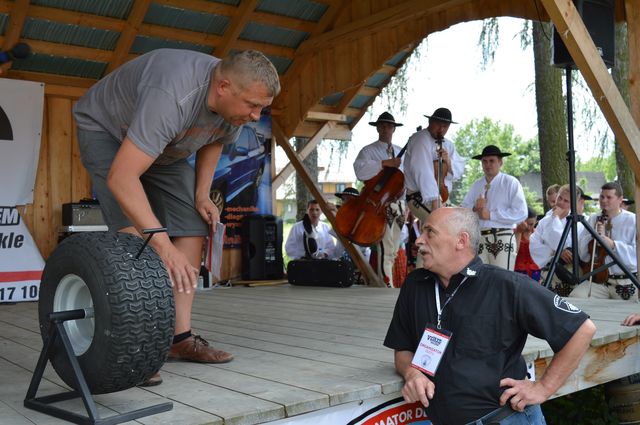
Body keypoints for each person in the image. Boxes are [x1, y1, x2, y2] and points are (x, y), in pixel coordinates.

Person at [73, 48, 280, 386]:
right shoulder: (173, 96)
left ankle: (179, 338)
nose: (257, 116)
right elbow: (122, 177)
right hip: (108, 131)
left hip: (166, 146)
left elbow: (215, 139)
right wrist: (163, 247)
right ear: (223, 87)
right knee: (134, 238)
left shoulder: (233, 107)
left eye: (261, 108)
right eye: (252, 106)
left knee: (192, 224)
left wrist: (201, 194)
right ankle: (136, 348)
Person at [384, 207, 596, 425]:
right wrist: (413, 374)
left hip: (505, 418)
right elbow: (403, 348)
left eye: (430, 232)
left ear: (461, 241)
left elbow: (582, 329)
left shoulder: (507, 286)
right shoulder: (416, 284)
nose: (418, 240)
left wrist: (543, 388)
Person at [353, 112, 406, 288]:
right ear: (377, 128)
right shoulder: (368, 151)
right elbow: (360, 171)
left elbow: (406, 179)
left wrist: (406, 204)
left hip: (399, 204)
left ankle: (387, 281)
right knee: (385, 245)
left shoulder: (400, 151)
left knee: (394, 248)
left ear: (393, 129)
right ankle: (386, 284)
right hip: (380, 205)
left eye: (389, 126)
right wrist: (383, 163)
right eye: (382, 125)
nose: (385, 129)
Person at [461, 145, 528, 270]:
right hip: (480, 238)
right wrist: (475, 207)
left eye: (492, 161)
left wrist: (491, 215)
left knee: (502, 279)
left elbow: (521, 212)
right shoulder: (477, 185)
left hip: (502, 236)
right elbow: (463, 208)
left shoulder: (510, 182)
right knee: (481, 279)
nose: (488, 165)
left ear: (500, 162)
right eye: (484, 161)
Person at [571, 182, 638, 301]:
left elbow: (636, 256)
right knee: (576, 298)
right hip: (598, 281)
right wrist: (593, 236)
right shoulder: (593, 218)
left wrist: (613, 244)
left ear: (620, 199)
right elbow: (582, 254)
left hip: (625, 281)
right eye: (602, 197)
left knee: (630, 313)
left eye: (609, 197)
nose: (604, 200)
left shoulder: (633, 220)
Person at [404, 107, 465, 223]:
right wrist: (435, 205)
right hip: (421, 197)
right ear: (430, 121)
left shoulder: (448, 144)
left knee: (449, 229)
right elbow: (423, 171)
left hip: (442, 197)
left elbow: (459, 170)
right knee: (442, 227)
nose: (441, 129)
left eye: (445, 126)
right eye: (438, 124)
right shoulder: (420, 139)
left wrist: (449, 162)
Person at [529, 185, 590, 296]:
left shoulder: (578, 224)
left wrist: (555, 220)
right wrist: (556, 251)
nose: (561, 202)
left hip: (567, 272)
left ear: (573, 204)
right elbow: (533, 245)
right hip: (546, 271)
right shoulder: (545, 221)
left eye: (566, 201)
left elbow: (565, 243)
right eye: (559, 198)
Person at [513, 207, 541, 282]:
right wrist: (518, 233)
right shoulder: (515, 232)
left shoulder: (538, 234)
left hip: (535, 272)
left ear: (536, 221)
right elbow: (514, 252)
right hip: (518, 271)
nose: (528, 227)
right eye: (526, 224)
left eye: (531, 224)